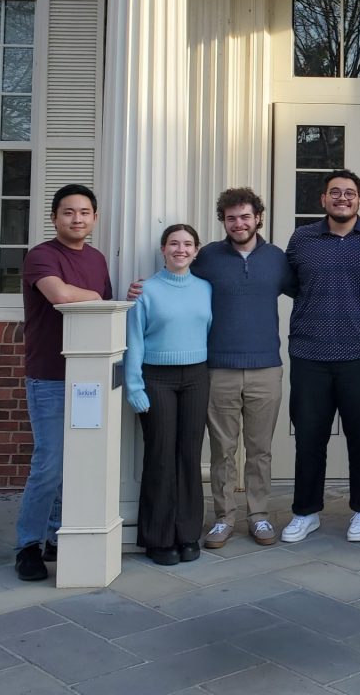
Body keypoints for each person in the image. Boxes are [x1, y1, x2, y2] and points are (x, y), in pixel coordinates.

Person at [131, 188, 296, 549]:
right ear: (223, 221)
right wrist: (139, 291)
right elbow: (178, 281)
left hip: (266, 367)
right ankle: (224, 518)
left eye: (245, 216)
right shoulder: (207, 258)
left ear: (258, 218)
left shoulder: (277, 260)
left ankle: (259, 515)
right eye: (231, 217)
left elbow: (307, 294)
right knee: (222, 449)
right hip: (217, 368)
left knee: (260, 448)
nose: (239, 223)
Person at [280, 169, 360, 544]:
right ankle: (306, 512)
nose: (342, 198)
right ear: (323, 199)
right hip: (309, 353)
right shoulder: (302, 239)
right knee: (309, 437)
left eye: (349, 193)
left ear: (359, 200)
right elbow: (290, 284)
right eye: (335, 192)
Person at [15, 184, 111, 582]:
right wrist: (90, 294)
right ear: (55, 217)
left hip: (88, 378)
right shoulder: (41, 256)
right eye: (68, 212)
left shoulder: (98, 258)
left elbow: (103, 312)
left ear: (94, 218)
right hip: (50, 377)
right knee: (50, 464)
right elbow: (61, 296)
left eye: (84, 212)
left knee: (76, 464)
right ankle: (27, 545)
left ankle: (56, 534)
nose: (77, 219)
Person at [125, 224, 212, 565]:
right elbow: (134, 339)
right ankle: (158, 538)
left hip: (196, 376)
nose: (181, 249)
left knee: (189, 455)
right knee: (160, 455)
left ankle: (188, 533)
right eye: (174, 243)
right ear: (163, 249)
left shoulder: (205, 288)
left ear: (196, 250)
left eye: (188, 244)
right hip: (155, 377)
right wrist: (134, 385)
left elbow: (207, 329)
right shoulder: (145, 290)